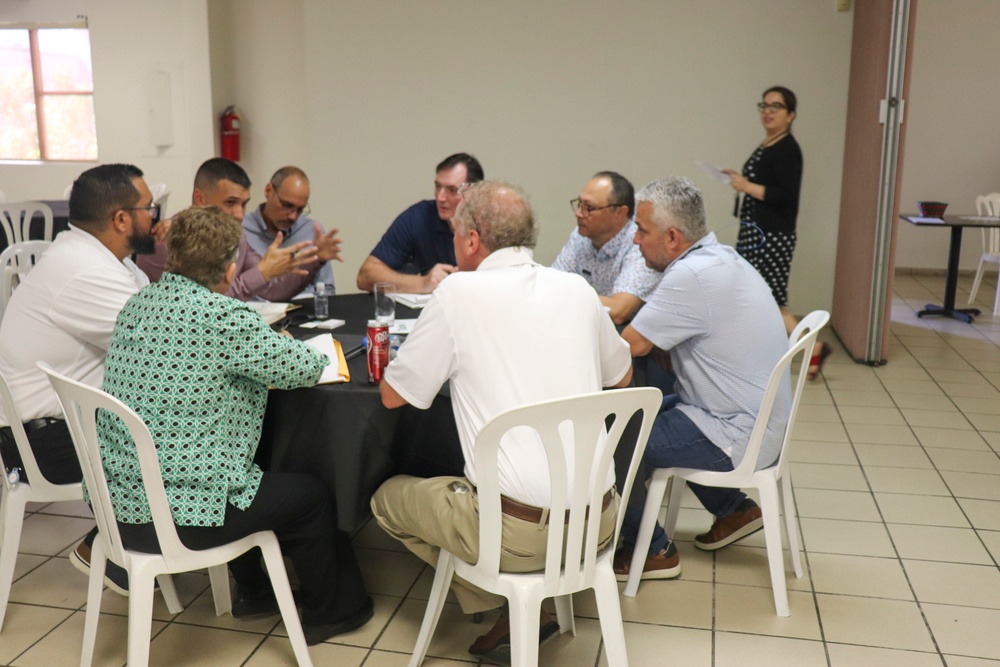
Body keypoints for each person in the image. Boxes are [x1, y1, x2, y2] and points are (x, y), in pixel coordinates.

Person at [370, 181, 632, 664]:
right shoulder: (576, 289)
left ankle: (504, 603)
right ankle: (526, 611)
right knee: (483, 482)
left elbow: (393, 396)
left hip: (517, 536)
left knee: (386, 498)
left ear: (471, 240)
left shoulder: (456, 294)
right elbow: (623, 374)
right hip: (600, 522)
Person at [99, 205, 372, 643]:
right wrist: (285, 345)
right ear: (229, 268)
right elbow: (304, 368)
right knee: (311, 496)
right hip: (185, 516)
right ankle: (334, 612)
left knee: (237, 467)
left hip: (119, 507)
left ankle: (255, 591)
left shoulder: (137, 304)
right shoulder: (224, 318)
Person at [611, 177, 790, 582]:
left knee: (613, 435)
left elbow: (627, 347)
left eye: (642, 231)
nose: (636, 242)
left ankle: (650, 550)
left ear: (673, 237)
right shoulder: (721, 257)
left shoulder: (689, 277)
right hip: (759, 423)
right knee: (660, 405)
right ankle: (735, 510)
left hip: (734, 434)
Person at [0, 163, 156, 594]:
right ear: (121, 219)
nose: (155, 218)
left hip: (60, 426)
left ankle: (129, 543)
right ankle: (108, 546)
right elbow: (164, 345)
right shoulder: (87, 272)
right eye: (150, 208)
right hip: (43, 443)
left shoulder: (104, 259)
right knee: (187, 437)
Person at [722, 86, 828, 378]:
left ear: (790, 115)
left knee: (767, 299)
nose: (767, 111)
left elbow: (785, 195)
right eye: (764, 105)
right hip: (756, 234)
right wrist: (740, 180)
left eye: (776, 106)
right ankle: (807, 348)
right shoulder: (769, 143)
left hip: (771, 236)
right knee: (762, 298)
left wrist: (747, 187)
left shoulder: (787, 149)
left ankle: (810, 347)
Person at [137, 159, 342, 302]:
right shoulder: (168, 240)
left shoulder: (235, 235)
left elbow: (271, 288)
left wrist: (316, 260)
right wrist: (261, 274)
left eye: (244, 204)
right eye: (231, 202)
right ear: (200, 199)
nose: (239, 214)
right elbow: (204, 307)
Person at [356, 153, 484, 294]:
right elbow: (366, 275)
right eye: (438, 187)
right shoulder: (418, 217)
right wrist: (422, 283)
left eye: (452, 190)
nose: (440, 197)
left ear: (473, 192)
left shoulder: (492, 222)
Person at [552, 171, 661, 324]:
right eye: (579, 204)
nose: (578, 213)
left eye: (589, 208)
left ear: (620, 213)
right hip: (591, 324)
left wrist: (564, 296)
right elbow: (552, 284)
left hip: (631, 334)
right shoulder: (581, 234)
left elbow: (618, 310)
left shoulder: (640, 241)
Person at [241, 166, 339, 296]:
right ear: (268, 191)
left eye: (300, 209)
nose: (293, 216)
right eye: (287, 205)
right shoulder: (241, 231)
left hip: (305, 311)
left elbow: (326, 289)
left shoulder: (312, 230)